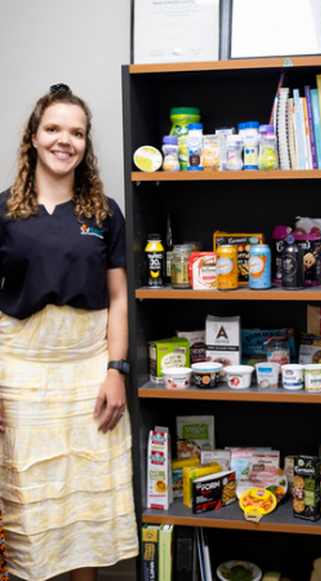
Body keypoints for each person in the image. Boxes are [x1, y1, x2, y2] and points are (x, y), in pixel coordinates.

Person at [0, 84, 138, 581]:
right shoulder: (5, 212)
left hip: (87, 367)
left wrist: (115, 370)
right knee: (28, 503)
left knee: (87, 500)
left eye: (76, 132)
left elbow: (119, 298)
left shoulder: (104, 213)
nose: (65, 140)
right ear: (33, 138)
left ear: (86, 143)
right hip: (20, 371)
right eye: (53, 129)